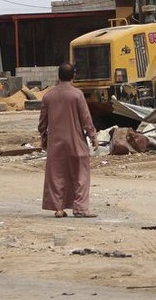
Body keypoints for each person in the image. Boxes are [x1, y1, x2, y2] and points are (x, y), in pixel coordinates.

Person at [39, 62, 98, 218]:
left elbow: (42, 123)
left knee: (56, 174)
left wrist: (44, 137)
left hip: (55, 143)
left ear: (58, 76)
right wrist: (93, 136)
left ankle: (58, 209)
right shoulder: (77, 94)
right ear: (73, 76)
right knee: (81, 174)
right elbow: (86, 118)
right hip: (76, 141)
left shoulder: (48, 96)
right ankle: (80, 208)